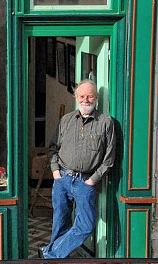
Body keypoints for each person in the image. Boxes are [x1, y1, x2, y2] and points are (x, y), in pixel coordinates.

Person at [39, 79, 116, 259]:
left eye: (90, 96)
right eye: (82, 96)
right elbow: (53, 147)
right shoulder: (66, 120)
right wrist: (56, 172)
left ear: (96, 98)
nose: (86, 100)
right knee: (60, 223)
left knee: (86, 225)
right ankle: (57, 257)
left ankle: (49, 254)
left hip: (85, 182)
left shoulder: (105, 123)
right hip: (62, 179)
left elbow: (108, 159)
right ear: (76, 98)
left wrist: (91, 181)